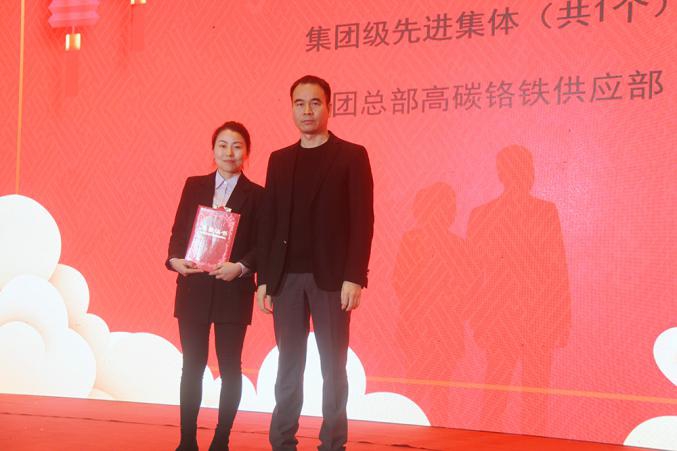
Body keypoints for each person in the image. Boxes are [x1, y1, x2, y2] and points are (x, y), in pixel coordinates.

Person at [256, 75, 374, 451]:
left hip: (332, 280)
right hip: (286, 279)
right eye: (299, 103)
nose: (307, 110)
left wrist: (354, 276)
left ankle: (333, 443)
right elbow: (270, 222)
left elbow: (362, 220)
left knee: (333, 366)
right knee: (288, 364)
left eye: (314, 102)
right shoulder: (279, 160)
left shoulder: (352, 155)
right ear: (292, 108)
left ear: (329, 107)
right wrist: (264, 279)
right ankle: (282, 441)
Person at [166, 121, 263, 451]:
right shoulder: (194, 185)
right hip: (194, 287)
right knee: (192, 366)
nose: (229, 152)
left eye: (236, 146)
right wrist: (175, 260)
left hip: (232, 290)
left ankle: (221, 439)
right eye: (222, 145)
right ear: (213, 149)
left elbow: (262, 244)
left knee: (230, 366)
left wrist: (241, 267)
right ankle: (187, 440)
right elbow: (179, 231)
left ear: (246, 152)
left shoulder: (259, 195)